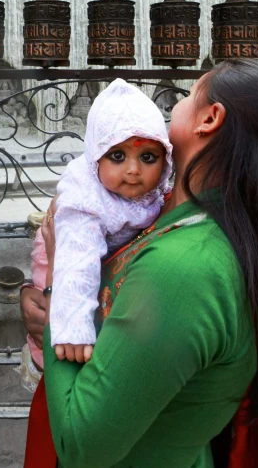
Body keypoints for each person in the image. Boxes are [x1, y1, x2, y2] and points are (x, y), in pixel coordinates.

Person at [21, 59, 258, 467]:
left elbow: (80, 444)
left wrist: (60, 287)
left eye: (191, 91)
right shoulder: (182, 218)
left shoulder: (183, 270)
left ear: (209, 118)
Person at [49, 78, 172, 363]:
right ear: (95, 157)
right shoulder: (85, 203)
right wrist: (74, 328)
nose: (133, 170)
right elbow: (76, 262)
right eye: (117, 156)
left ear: (166, 160)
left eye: (148, 157)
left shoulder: (161, 190)